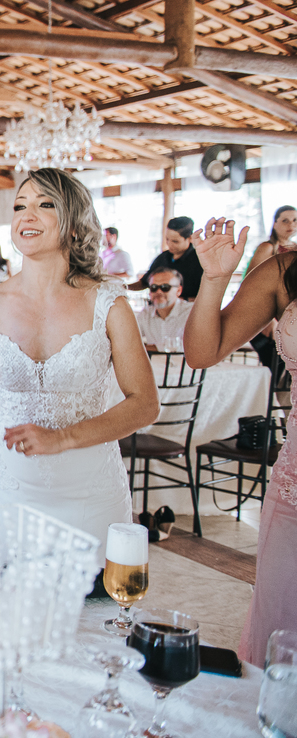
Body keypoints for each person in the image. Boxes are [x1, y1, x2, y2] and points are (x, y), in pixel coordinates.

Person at [0, 169, 158, 568]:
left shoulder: (108, 303)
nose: (27, 216)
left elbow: (145, 404)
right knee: (15, 616)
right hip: (11, 490)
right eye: (20, 206)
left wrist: (63, 438)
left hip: (90, 494)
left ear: (75, 227)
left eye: (45, 205)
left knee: (94, 618)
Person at [183, 216, 297, 666]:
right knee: (283, 623)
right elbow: (202, 352)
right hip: (295, 483)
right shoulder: (285, 272)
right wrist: (215, 279)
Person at [242, 205, 297, 369]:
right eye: (285, 221)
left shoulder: (293, 249)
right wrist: (268, 321)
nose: (291, 225)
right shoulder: (267, 248)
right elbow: (250, 286)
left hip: (287, 319)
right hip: (265, 320)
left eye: (295, 221)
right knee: (276, 372)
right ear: (274, 224)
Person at [129, 216, 204, 301]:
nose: (169, 244)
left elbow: (206, 298)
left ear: (190, 238)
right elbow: (144, 282)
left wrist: (176, 302)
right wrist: (125, 287)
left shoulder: (200, 261)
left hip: (188, 311)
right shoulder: (163, 257)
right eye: (167, 239)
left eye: (175, 241)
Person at [136, 269, 192, 351]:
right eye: (154, 287)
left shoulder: (192, 312)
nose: (158, 291)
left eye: (165, 287)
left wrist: (148, 348)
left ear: (178, 290)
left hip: (183, 363)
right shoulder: (146, 313)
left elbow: (190, 346)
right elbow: (128, 339)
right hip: (154, 363)